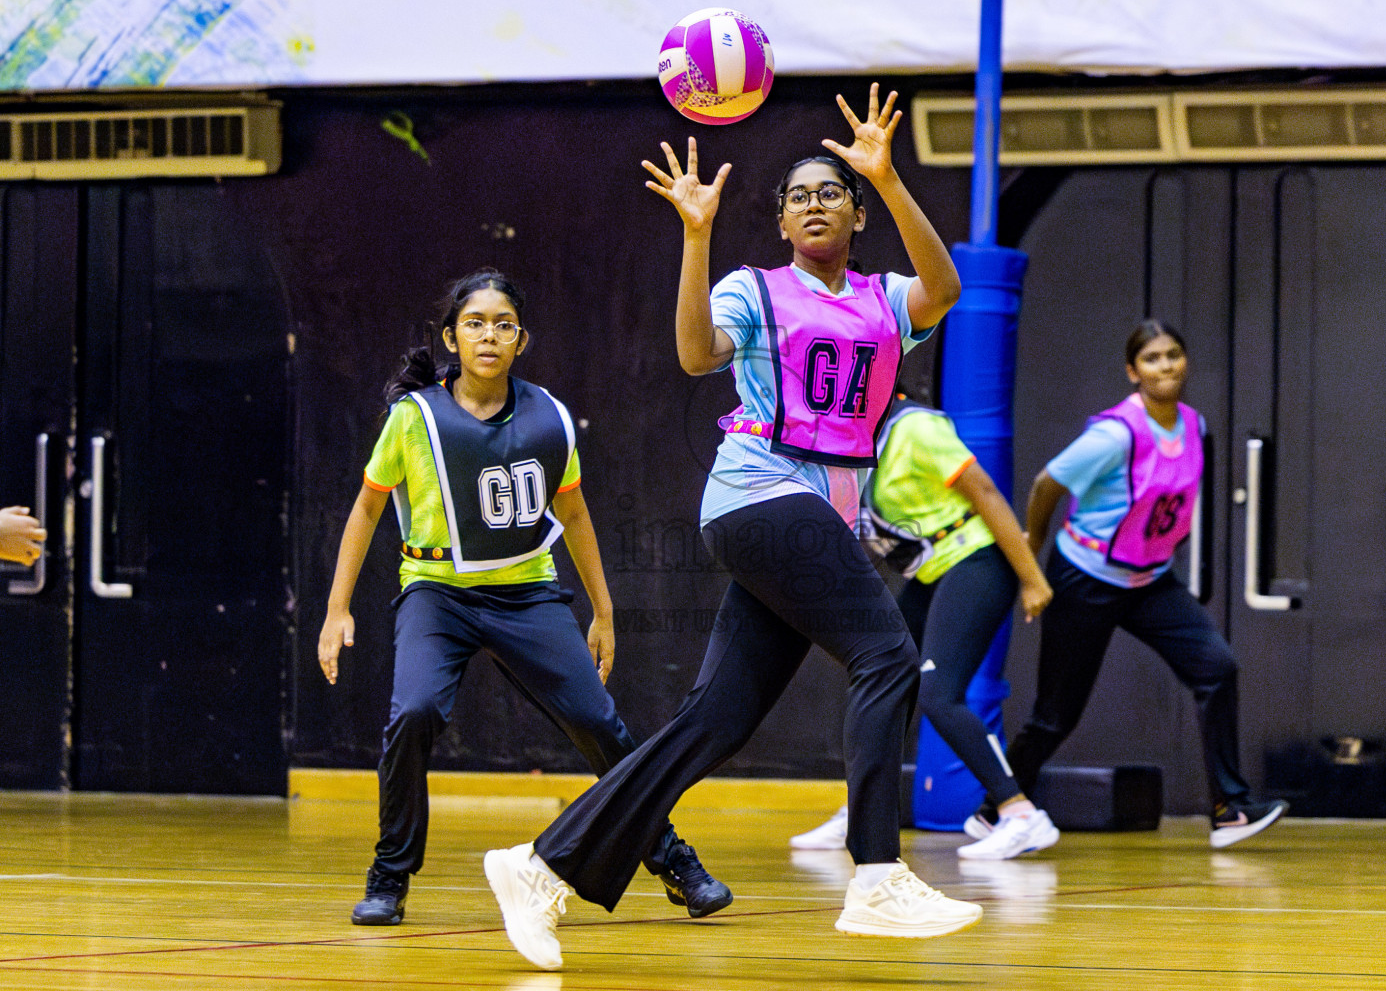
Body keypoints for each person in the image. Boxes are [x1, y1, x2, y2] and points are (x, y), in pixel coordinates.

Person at [483, 83, 982, 973]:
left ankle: (540, 865)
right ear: (783, 223)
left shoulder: (882, 299)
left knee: (717, 719)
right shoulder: (756, 288)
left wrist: (888, 174)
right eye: (797, 195)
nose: (814, 203)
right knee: (887, 656)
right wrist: (695, 233)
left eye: (831, 191)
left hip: (818, 513)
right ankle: (876, 875)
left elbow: (945, 287)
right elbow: (694, 353)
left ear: (857, 214)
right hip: (760, 496)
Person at [318, 269, 730, 928]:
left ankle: (674, 860)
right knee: (415, 712)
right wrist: (337, 610)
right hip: (438, 593)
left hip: (526, 593)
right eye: (475, 323)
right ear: (452, 337)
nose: (489, 334)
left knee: (599, 724)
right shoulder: (413, 418)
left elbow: (575, 514)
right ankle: (389, 876)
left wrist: (602, 609)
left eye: (502, 324)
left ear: (521, 339)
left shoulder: (549, 416)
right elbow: (367, 510)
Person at [991, 319, 1287, 849]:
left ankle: (1230, 809)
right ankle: (997, 809)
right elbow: (1045, 485)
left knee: (1217, 667)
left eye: (1174, 354)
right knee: (1055, 716)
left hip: (1148, 580)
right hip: (1086, 578)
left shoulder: (1194, 426)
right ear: (1133, 372)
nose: (1166, 365)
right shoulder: (1114, 435)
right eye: (1152, 358)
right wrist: (1031, 567)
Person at [789, 392, 1061, 859]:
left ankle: (1021, 814)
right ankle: (861, 810)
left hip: (975, 563)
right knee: (879, 679)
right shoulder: (856, 445)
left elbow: (987, 494)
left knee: (939, 693)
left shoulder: (915, 428)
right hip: (930, 572)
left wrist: (1031, 579)